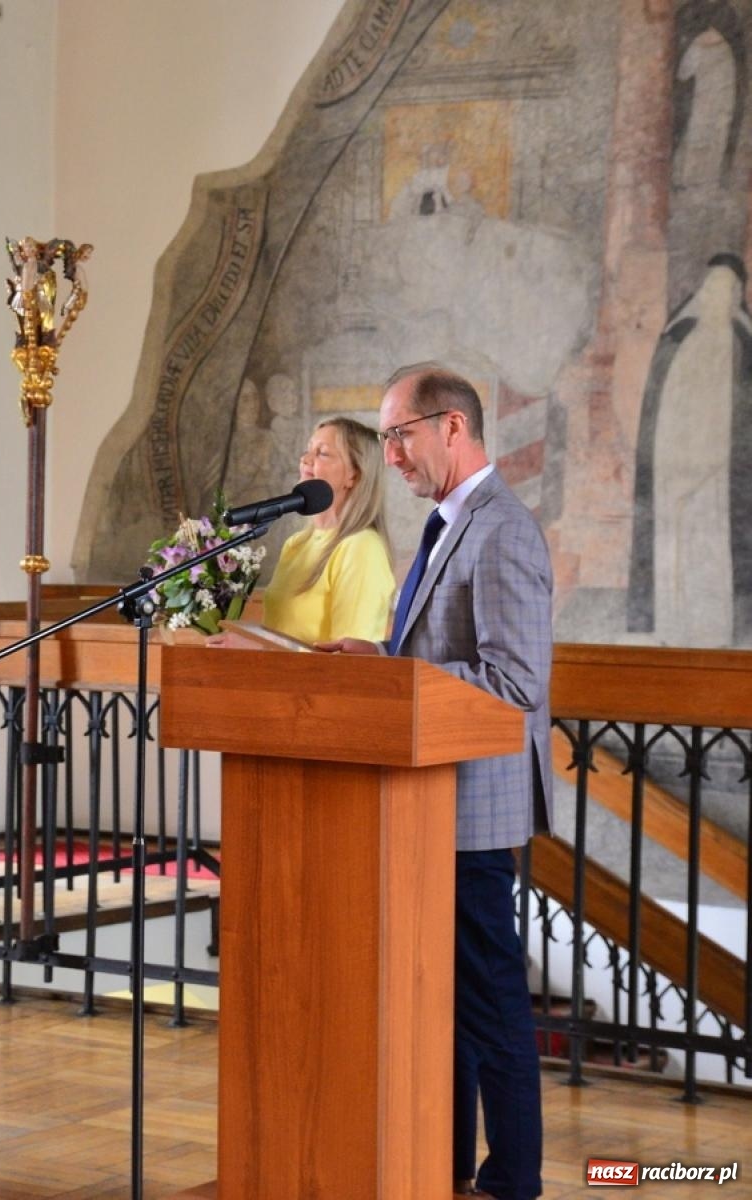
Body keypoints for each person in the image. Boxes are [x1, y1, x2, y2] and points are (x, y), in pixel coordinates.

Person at [323, 364, 552, 1200]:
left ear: (451, 427)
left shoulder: (502, 530)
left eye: (400, 436)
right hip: (427, 802)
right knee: (442, 1009)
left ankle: (512, 1181)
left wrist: (400, 674)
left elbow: (515, 682)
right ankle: (442, 1164)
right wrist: (382, 662)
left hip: (471, 808)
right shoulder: (445, 525)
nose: (391, 456)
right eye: (384, 439)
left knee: (489, 1006)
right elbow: (436, 657)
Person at [255, 416, 396, 644]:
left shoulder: (361, 548)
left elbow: (347, 663)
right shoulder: (297, 543)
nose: (305, 460)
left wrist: (258, 653)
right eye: (308, 450)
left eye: (322, 453)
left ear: (354, 475)